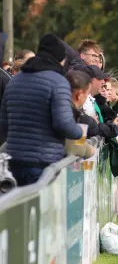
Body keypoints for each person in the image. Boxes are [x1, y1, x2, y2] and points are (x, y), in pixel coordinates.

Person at [0, 33, 84, 186]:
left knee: (18, 209)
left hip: (13, 161)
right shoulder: (58, 82)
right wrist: (79, 131)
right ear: (60, 59)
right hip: (43, 162)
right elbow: (63, 124)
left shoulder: (15, 80)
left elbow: (4, 123)